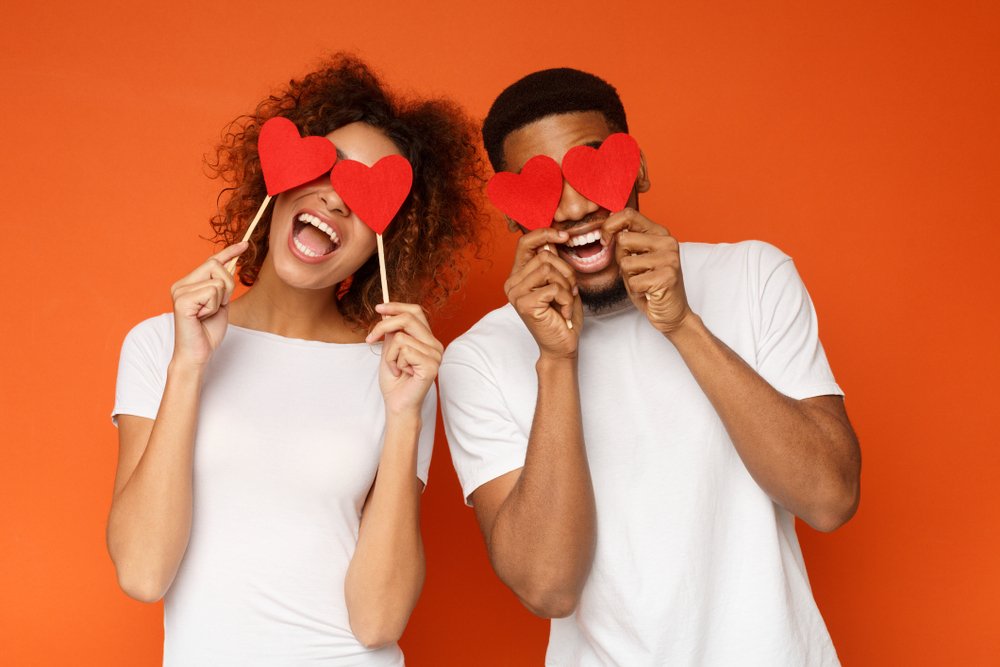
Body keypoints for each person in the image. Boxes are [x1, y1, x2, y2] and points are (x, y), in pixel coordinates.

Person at [440, 67, 861, 665]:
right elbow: (547, 585)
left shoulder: (755, 277)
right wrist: (557, 360)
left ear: (636, 169)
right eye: (543, 189)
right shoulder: (479, 359)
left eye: (590, 170)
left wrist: (681, 324)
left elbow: (829, 499)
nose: (576, 206)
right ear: (514, 216)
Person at [107, 54, 484, 666]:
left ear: (384, 240)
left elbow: (379, 620)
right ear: (276, 183)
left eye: (365, 194)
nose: (336, 200)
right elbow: (144, 573)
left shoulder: (396, 375)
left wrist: (406, 416)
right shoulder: (160, 347)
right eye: (326, 169)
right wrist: (189, 369)